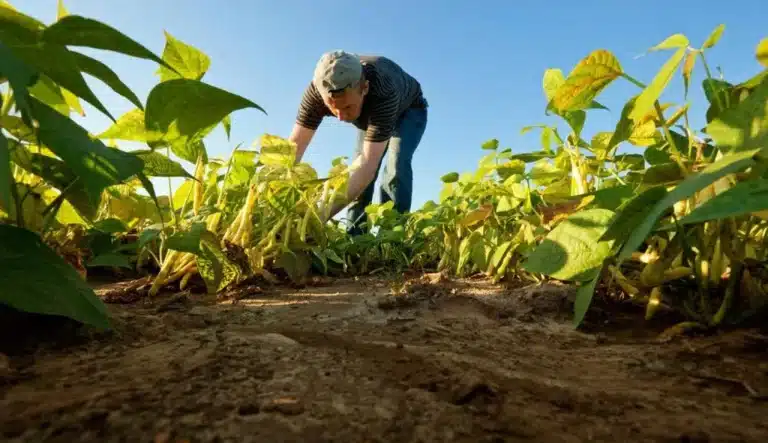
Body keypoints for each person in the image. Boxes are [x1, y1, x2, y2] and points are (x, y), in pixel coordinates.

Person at [287, 50, 428, 235]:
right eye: (332, 108)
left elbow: (368, 165)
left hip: (409, 110)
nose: (340, 117)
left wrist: (316, 217)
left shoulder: (383, 89)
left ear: (365, 88)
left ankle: (393, 237)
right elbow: (294, 148)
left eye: (347, 107)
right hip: (369, 114)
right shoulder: (315, 93)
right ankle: (355, 239)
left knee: (396, 163)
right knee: (356, 171)